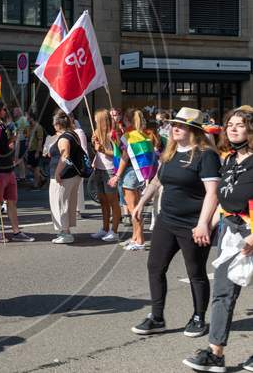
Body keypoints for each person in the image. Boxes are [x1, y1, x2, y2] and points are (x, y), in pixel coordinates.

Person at [131, 107, 220, 339]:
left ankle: (199, 317)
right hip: (166, 220)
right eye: (173, 124)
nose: (174, 128)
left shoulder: (206, 155)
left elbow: (213, 194)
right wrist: (141, 202)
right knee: (155, 267)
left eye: (180, 125)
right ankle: (157, 317)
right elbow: (158, 179)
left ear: (193, 130)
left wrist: (203, 224)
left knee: (195, 272)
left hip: (192, 224)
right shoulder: (170, 151)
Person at [183, 108, 253, 372]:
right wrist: (207, 225)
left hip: (252, 232)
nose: (233, 129)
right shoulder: (230, 160)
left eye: (240, 125)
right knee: (223, 293)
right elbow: (225, 201)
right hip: (232, 233)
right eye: (230, 125)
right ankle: (216, 354)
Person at [108, 108, 160, 251]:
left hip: (130, 174)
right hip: (138, 174)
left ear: (127, 120)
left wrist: (117, 176)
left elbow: (125, 157)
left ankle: (140, 240)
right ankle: (136, 237)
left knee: (133, 209)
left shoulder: (129, 135)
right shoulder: (140, 134)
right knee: (136, 207)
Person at [0, 100, 34, 243]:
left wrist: (11, 142)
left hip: (9, 169)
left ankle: (16, 231)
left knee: (12, 201)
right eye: (4, 109)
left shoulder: (2, 126)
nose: (6, 112)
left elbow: (4, 145)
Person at [48, 110, 83, 244]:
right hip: (73, 175)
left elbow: (65, 155)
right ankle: (65, 230)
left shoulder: (64, 138)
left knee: (60, 203)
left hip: (63, 176)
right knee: (68, 203)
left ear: (57, 124)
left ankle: (65, 232)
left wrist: (57, 173)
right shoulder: (73, 134)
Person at [89, 109, 120, 242]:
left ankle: (114, 231)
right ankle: (105, 228)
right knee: (103, 201)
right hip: (99, 169)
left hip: (110, 170)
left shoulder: (113, 133)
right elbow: (95, 152)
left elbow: (118, 154)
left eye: (97, 119)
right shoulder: (96, 132)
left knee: (113, 201)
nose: (95, 121)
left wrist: (103, 149)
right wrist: (93, 144)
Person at [26, 113, 46, 188]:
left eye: (28, 118)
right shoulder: (29, 127)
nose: (27, 120)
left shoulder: (38, 127)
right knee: (29, 166)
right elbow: (28, 137)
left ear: (32, 118)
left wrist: (38, 152)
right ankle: (42, 178)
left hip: (36, 149)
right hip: (30, 149)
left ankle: (36, 185)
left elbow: (40, 140)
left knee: (36, 167)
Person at [12, 107, 29, 183]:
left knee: (19, 159)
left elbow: (27, 130)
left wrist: (27, 140)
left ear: (18, 112)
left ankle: (22, 176)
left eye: (15, 111)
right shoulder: (19, 120)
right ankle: (22, 176)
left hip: (22, 141)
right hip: (19, 140)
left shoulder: (22, 120)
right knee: (20, 159)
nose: (13, 112)